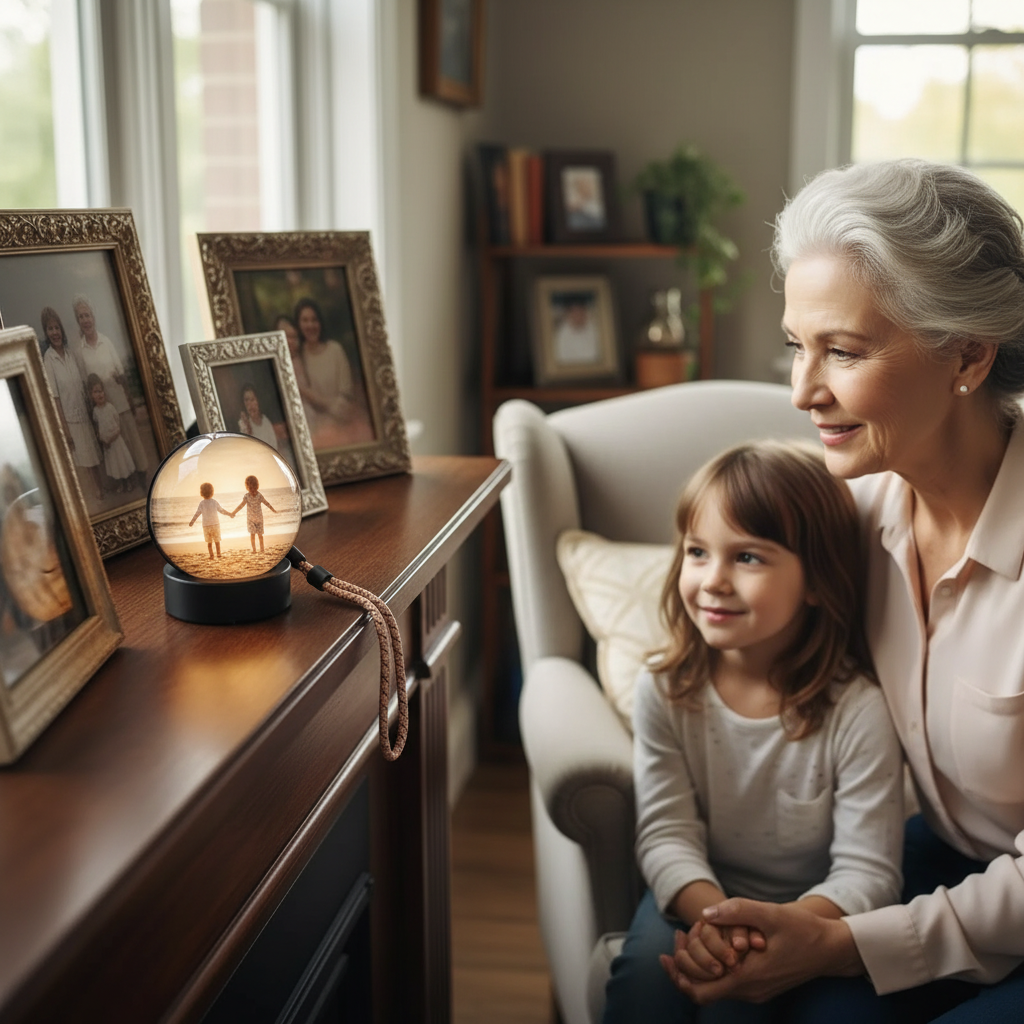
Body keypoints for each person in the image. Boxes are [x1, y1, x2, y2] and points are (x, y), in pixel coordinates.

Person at [664, 159, 1024, 1022]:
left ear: (968, 355)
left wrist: (839, 945)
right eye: (797, 344)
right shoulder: (848, 516)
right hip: (933, 860)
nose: (800, 390)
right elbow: (710, 587)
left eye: (844, 352)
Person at [603, 440, 904, 1024]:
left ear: (817, 580)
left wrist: (774, 932)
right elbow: (666, 833)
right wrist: (719, 921)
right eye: (697, 551)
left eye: (748, 558)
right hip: (698, 897)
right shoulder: (665, 689)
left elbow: (869, 872)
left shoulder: (858, 707)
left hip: (820, 917)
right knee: (642, 989)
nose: (713, 579)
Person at [73, 295, 148, 488]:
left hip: (118, 397)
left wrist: (130, 400)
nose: (85, 320)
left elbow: (121, 374)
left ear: (93, 317)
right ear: (78, 321)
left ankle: (142, 475)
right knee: (114, 446)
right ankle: (123, 480)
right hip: (100, 403)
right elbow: (84, 383)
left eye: (87, 315)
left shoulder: (106, 341)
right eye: (81, 317)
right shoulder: (80, 351)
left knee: (132, 438)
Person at [39, 307, 103, 503]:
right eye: (50, 329)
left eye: (57, 328)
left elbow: (84, 384)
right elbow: (55, 398)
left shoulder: (71, 354)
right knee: (84, 459)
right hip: (70, 419)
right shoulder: (49, 360)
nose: (55, 333)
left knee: (94, 453)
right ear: (46, 333)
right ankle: (95, 493)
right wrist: (64, 429)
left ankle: (102, 487)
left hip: (85, 413)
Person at [294, 297, 374, 448]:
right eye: (305, 320)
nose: (310, 325)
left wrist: (310, 395)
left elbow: (345, 403)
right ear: (299, 324)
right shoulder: (298, 357)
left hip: (342, 427)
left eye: (314, 320)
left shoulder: (335, 350)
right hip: (312, 433)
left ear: (320, 322)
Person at [87, 374, 135, 495]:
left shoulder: (110, 408)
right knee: (115, 466)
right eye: (96, 392)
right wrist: (103, 440)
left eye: (101, 391)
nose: (100, 394)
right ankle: (120, 484)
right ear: (91, 395)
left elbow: (118, 427)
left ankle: (128, 482)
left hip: (116, 442)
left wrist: (111, 439)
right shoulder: (95, 412)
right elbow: (98, 427)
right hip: (107, 445)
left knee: (122, 462)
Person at [276, 313, 319, 438]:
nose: (290, 342)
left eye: (294, 337)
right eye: (285, 337)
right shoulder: (273, 365)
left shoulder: (305, 360)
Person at [231, 474, 277, 555]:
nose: (252, 490)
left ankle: (262, 549)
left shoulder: (259, 496)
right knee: (252, 535)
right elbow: (241, 506)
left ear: (257, 487)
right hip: (250, 520)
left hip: (259, 519)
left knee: (260, 535)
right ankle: (254, 550)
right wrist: (234, 512)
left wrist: (273, 509)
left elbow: (266, 503)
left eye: (254, 488)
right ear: (247, 487)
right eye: (250, 488)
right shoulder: (246, 496)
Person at [188, 481, 234, 559]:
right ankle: (218, 554)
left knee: (209, 542)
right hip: (215, 525)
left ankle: (211, 555)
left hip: (206, 526)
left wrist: (192, 521)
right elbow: (222, 511)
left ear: (201, 493)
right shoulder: (214, 502)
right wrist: (229, 514)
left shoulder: (202, 503)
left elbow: (197, 513)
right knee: (217, 541)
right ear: (212, 492)